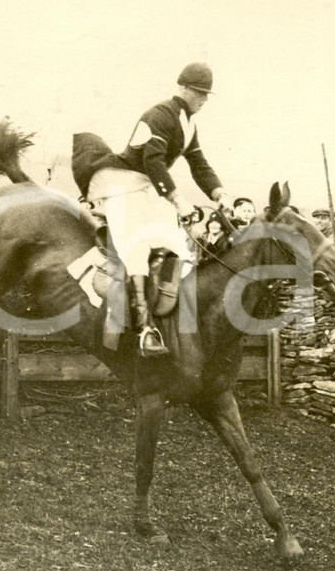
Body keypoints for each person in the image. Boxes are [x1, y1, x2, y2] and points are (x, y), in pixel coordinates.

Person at [86, 63, 233, 357]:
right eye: (199, 93)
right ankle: (143, 330)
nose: (203, 99)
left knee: (172, 246)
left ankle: (168, 321)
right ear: (183, 88)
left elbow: (199, 165)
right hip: (122, 183)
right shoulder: (159, 115)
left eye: (206, 95)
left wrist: (220, 193)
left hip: (148, 186)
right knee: (138, 248)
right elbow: (153, 162)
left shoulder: (188, 124)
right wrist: (178, 200)